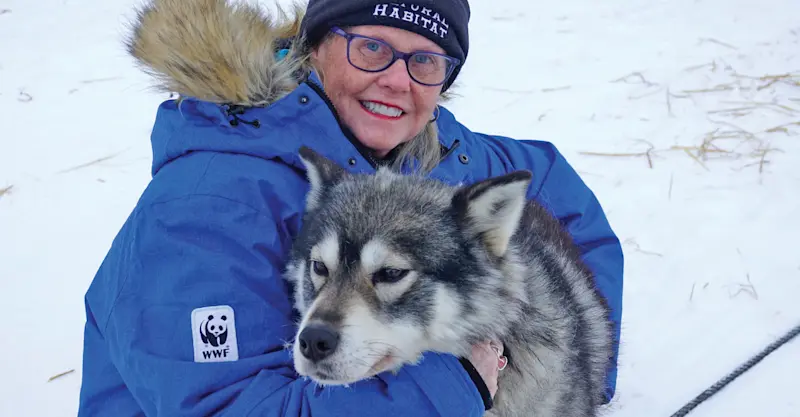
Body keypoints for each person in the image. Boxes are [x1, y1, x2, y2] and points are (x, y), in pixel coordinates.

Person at [77, 0, 624, 415]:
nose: (395, 79)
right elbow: (223, 405)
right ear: (316, 47)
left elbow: (552, 186)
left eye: (425, 61)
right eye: (371, 48)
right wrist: (453, 386)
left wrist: (574, 365)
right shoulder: (205, 208)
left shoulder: (426, 151)